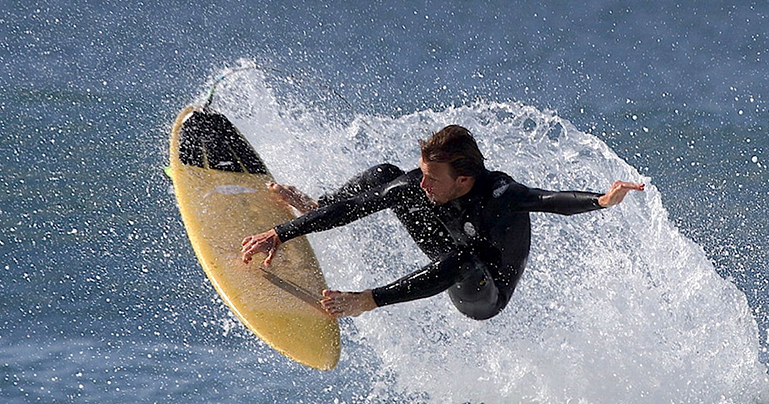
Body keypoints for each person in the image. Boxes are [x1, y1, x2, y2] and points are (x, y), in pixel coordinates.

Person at [241, 124, 644, 321]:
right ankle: (316, 205)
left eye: (434, 177)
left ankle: (365, 301)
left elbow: (549, 200)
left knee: (470, 254)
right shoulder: (425, 183)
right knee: (386, 178)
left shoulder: (501, 195)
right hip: (447, 249)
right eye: (423, 172)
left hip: (484, 290)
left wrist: (603, 200)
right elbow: (362, 205)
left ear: (464, 179)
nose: (424, 183)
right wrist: (281, 232)